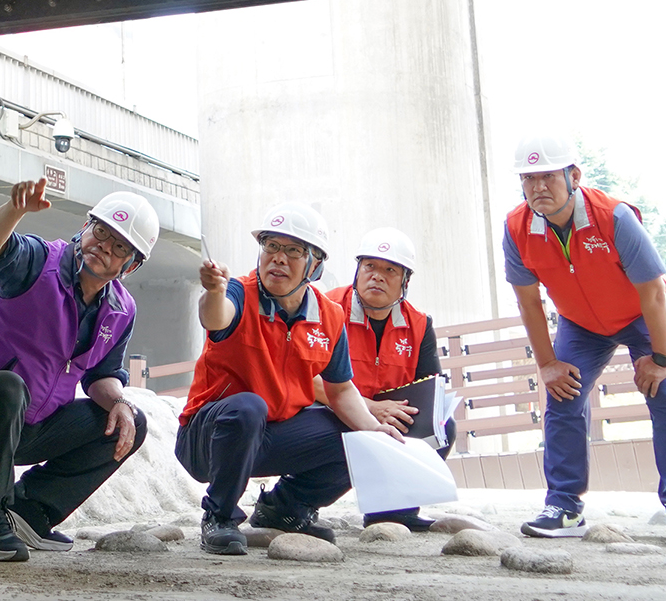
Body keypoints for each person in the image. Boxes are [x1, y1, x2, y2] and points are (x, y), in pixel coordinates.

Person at [0, 179, 157, 562]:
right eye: (100, 232)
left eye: (119, 247)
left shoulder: (121, 310)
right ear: (84, 227)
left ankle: (29, 512)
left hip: (32, 429)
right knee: (7, 387)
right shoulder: (37, 263)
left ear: (131, 265)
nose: (103, 246)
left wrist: (118, 402)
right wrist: (14, 210)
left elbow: (101, 376)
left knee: (130, 419)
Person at [503, 135, 666, 548]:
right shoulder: (516, 228)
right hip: (581, 324)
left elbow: (652, 292)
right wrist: (547, 365)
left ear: (573, 176)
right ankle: (563, 506)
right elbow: (528, 301)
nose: (538, 187)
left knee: (664, 394)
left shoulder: (613, 217)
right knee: (562, 397)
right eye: (529, 179)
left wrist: (661, 358)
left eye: (548, 177)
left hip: (642, 314)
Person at [174, 202, 403, 556]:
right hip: (210, 437)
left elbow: (340, 390)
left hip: (272, 434)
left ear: (316, 264)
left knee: (354, 435)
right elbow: (216, 318)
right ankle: (219, 516)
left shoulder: (329, 315)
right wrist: (214, 292)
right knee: (249, 407)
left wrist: (373, 431)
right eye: (271, 246)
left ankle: (285, 509)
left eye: (293, 250)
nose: (278, 258)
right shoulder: (238, 291)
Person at [313, 227, 456, 531]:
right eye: (369, 267)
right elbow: (304, 377)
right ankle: (288, 504)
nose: (377, 276)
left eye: (390, 270)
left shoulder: (419, 324)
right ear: (357, 271)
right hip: (333, 407)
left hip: (388, 412)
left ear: (405, 281)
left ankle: (394, 512)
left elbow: (430, 387)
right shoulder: (327, 308)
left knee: (441, 424)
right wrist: (368, 409)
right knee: (339, 433)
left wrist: (405, 413)